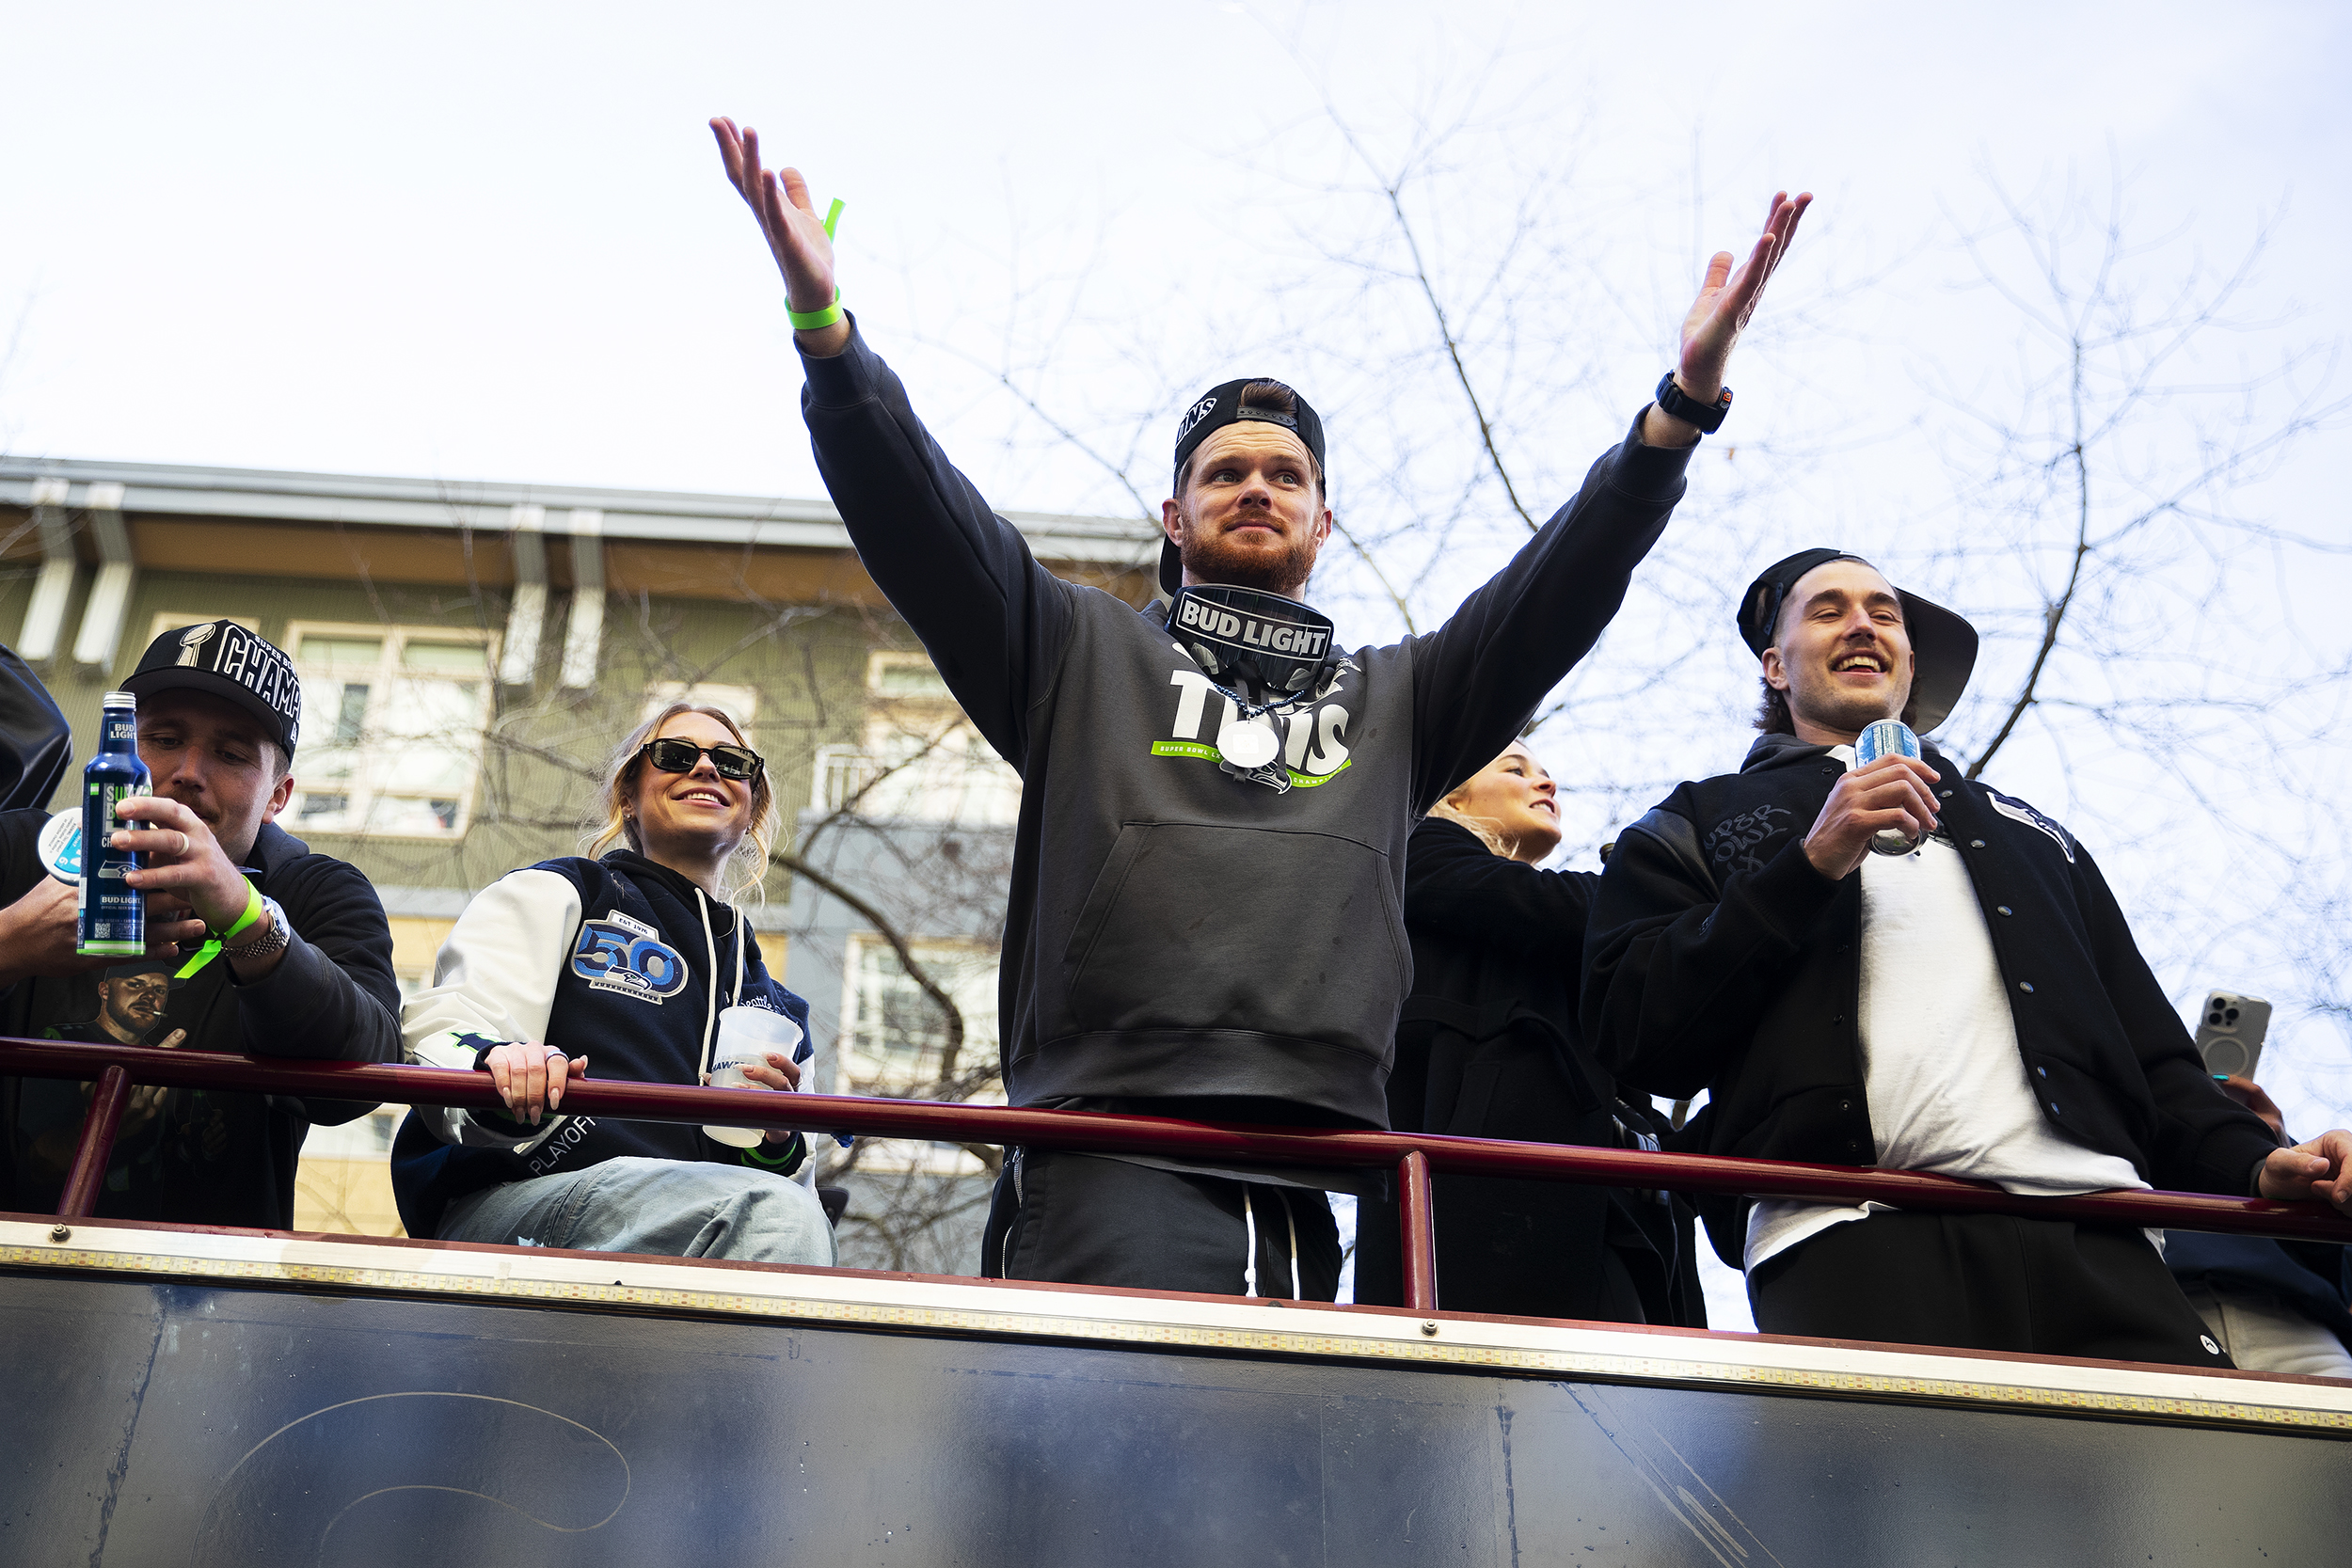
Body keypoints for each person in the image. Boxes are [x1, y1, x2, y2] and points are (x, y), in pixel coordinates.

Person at [709, 116, 1809, 1298]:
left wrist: (1677, 412)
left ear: (1322, 522)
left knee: (1265, 1424)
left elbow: (1556, 589)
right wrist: (829, 339)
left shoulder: (1399, 699)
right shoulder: (1077, 651)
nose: (1255, 488)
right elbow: (922, 521)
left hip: (1308, 1159)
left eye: (1285, 474)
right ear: (1173, 518)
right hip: (1110, 1133)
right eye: (1223, 472)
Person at [1581, 548, 2352, 1366]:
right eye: (1828, 609)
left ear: (1910, 663)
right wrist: (1808, 865)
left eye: (1884, 613)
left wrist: (2261, 1162)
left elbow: (2155, 1063)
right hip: (1851, 1231)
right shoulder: (1696, 820)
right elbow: (1632, 1027)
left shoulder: (2038, 837)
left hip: (2105, 1239)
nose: (1862, 625)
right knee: (1906, 1461)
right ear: (1775, 666)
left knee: (2181, 1454)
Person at [389, 704, 834, 1267]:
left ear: (752, 808)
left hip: (705, 1223)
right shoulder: (564, 892)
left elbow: (798, 1190)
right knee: (774, 1215)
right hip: (520, 1201)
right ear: (627, 796)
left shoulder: (777, 1009)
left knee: (798, 1224)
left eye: (731, 762)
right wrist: (498, 1061)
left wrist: (776, 1142)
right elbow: (449, 1022)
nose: (705, 768)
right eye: (675, 755)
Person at [0, 621, 403, 1227]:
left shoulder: (318, 892)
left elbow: (361, 1082)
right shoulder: (21, 852)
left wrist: (247, 918)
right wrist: (11, 942)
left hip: (205, 1276)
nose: (189, 770)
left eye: (231, 754)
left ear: (278, 797)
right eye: (163, 738)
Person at [1355, 742, 1704, 1324]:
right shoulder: (1418, 850)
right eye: (1515, 769)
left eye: (1546, 773)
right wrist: (1659, 889)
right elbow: (1557, 909)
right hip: (1492, 1220)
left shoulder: (1549, 934)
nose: (1546, 784)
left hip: (1603, 1210)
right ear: (1452, 796)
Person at [2168, 1074, 2352, 1379]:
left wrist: (2271, 1147)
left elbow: (2337, 1270)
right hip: (2159, 1311)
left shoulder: (2288, 1155)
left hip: (2299, 1327)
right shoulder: (2122, 1134)